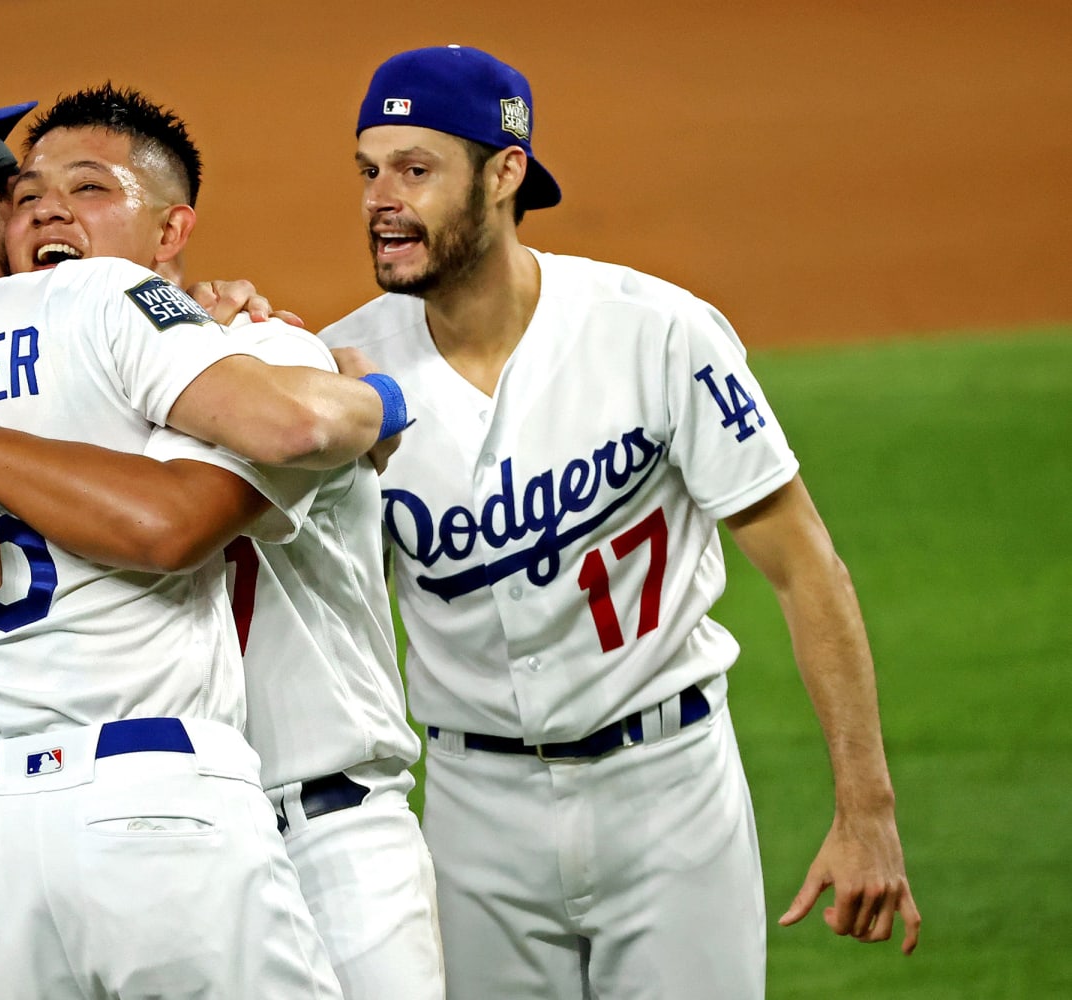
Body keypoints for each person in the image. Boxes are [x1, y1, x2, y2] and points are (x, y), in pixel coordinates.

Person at [0, 70, 410, 998]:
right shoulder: (89, 302)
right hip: (158, 805)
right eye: (18, 185)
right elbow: (265, 448)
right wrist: (383, 395)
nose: (39, 211)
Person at [319, 44, 922, 999]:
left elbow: (808, 570)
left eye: (415, 169)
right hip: (475, 816)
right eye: (367, 170)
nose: (379, 198)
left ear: (505, 173)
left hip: (670, 795)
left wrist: (867, 810)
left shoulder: (657, 332)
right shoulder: (337, 375)